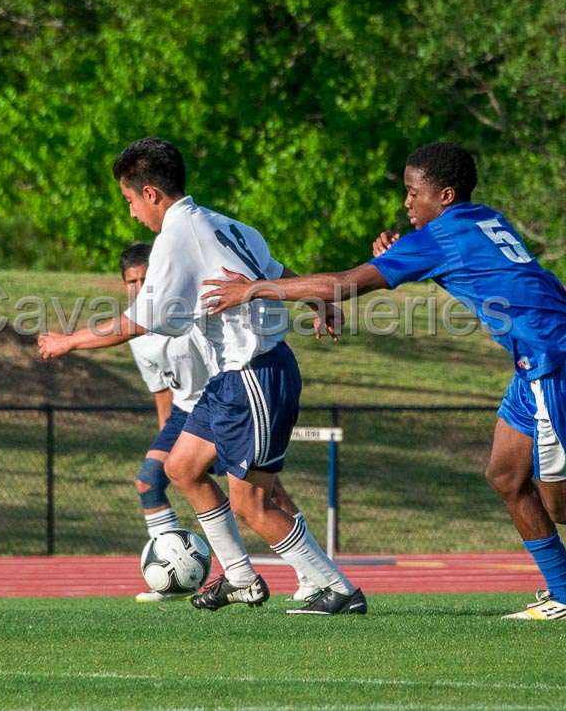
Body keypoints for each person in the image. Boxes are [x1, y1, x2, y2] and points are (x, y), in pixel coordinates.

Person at [202, 141, 566, 621]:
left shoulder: (441, 235)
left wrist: (251, 289)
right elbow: (462, 266)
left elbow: (345, 284)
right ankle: (564, 595)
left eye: (414, 192)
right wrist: (400, 253)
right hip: (541, 359)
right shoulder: (480, 218)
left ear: (444, 195)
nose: (406, 202)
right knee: (505, 475)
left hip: (555, 363)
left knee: (565, 505)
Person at [39, 137, 364, 615]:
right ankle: (240, 578)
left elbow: (139, 322)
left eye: (129, 200)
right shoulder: (224, 223)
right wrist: (318, 302)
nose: (131, 213)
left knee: (252, 504)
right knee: (181, 467)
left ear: (150, 193)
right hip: (233, 377)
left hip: (254, 372)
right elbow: (277, 271)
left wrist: (69, 341)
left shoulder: (176, 235)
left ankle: (338, 589)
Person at [118, 242, 320, 603]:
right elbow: (162, 388)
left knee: (265, 493)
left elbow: (221, 358)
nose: (139, 286)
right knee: (150, 480)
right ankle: (172, 574)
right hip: (185, 417)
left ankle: (312, 573)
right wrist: (169, 435)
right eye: (131, 281)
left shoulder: (180, 313)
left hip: (224, 403)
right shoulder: (138, 334)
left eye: (146, 278)